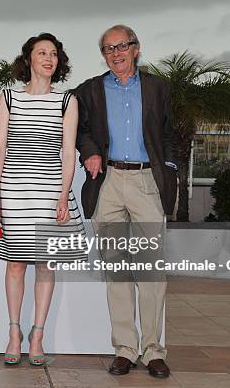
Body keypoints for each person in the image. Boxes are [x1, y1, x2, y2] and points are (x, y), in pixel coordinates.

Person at [0, 33, 87, 366]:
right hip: (14, 192)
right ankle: (13, 333)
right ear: (29, 59)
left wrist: (64, 195)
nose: (48, 58)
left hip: (51, 193)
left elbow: (68, 152)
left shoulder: (68, 101)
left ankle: (37, 335)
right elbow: (1, 147)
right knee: (15, 264)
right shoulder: (8, 97)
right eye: (42, 53)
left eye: (53, 53)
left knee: (45, 265)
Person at [72, 24, 177, 379]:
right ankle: (125, 349)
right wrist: (89, 152)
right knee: (115, 269)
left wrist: (170, 169)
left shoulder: (158, 88)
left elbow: (168, 133)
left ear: (135, 48)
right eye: (107, 49)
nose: (115, 54)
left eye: (121, 47)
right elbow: (81, 129)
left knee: (151, 270)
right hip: (109, 183)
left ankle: (153, 351)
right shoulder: (90, 90)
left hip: (148, 181)